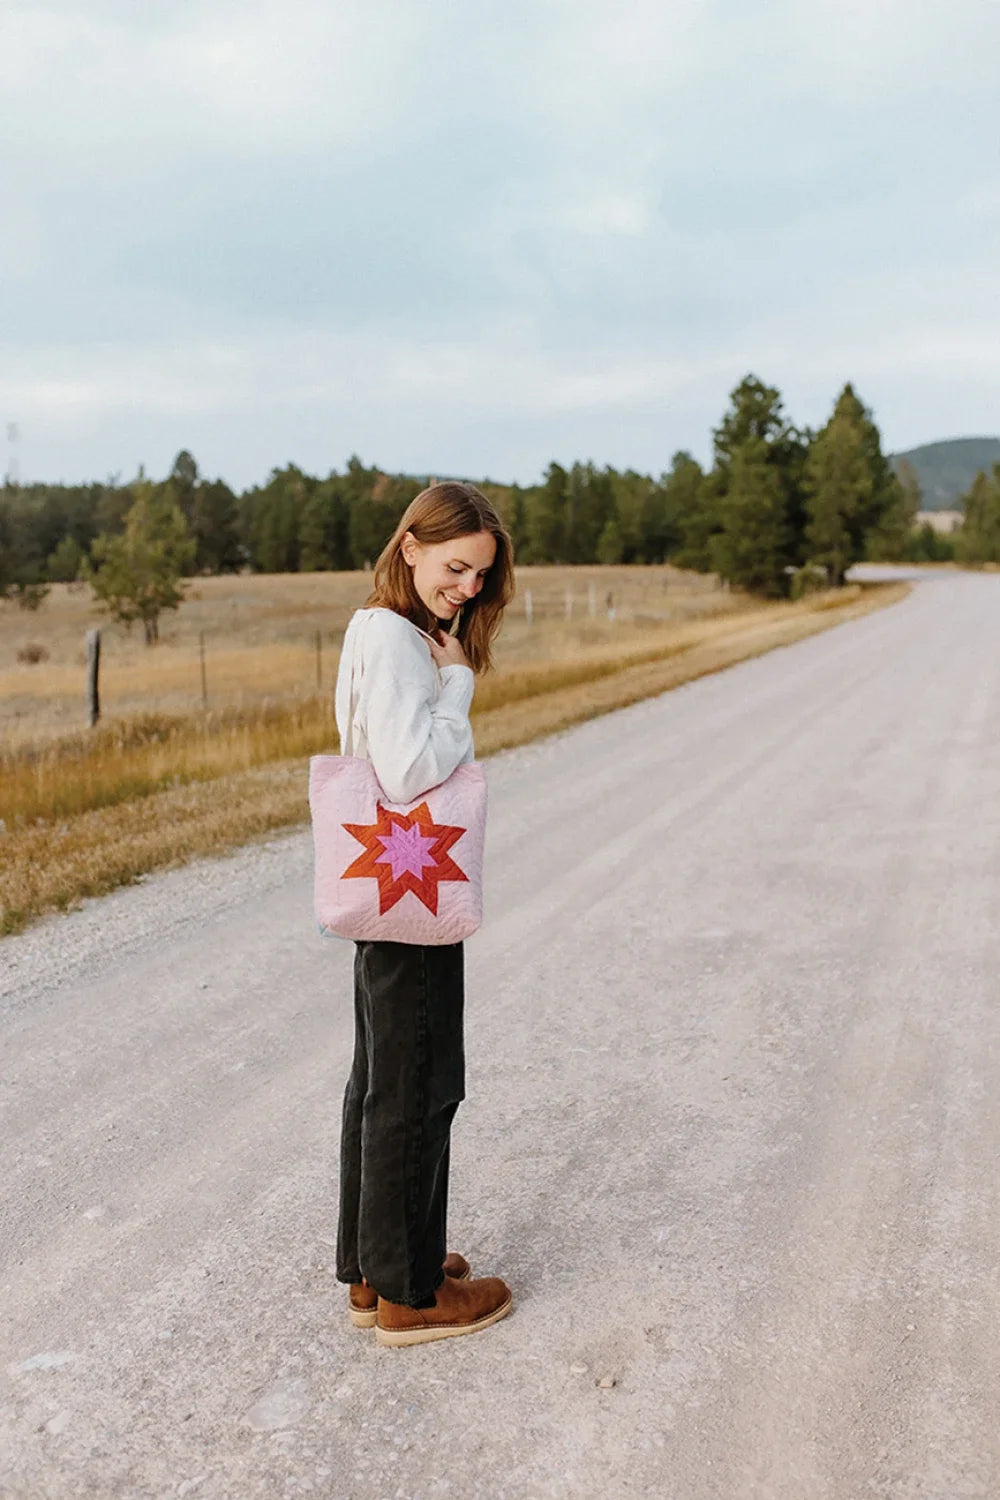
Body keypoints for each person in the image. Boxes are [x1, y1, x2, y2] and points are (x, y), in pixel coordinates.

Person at [333, 480, 516, 1347]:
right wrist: (457, 687)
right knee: (420, 1082)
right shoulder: (405, 644)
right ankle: (409, 1290)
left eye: (478, 575)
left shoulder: (376, 629)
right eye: (455, 567)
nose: (467, 588)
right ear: (409, 547)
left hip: (388, 886)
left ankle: (379, 1262)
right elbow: (411, 772)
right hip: (415, 889)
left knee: (383, 1076)